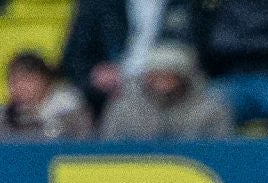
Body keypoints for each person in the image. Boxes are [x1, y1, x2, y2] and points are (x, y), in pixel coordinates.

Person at [62, 0, 202, 111]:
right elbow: (74, 56)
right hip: (114, 87)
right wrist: (96, 73)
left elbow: (201, 55)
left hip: (173, 85)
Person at [100, 41, 236, 139]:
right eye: (156, 74)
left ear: (184, 78)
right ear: (147, 76)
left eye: (169, 74)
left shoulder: (211, 109)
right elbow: (110, 151)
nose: (162, 81)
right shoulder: (124, 108)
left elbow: (221, 150)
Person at [0, 51, 94, 142]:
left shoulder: (71, 111)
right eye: (14, 81)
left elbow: (86, 146)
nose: (20, 87)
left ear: (45, 80)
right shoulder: (0, 117)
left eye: (27, 80)